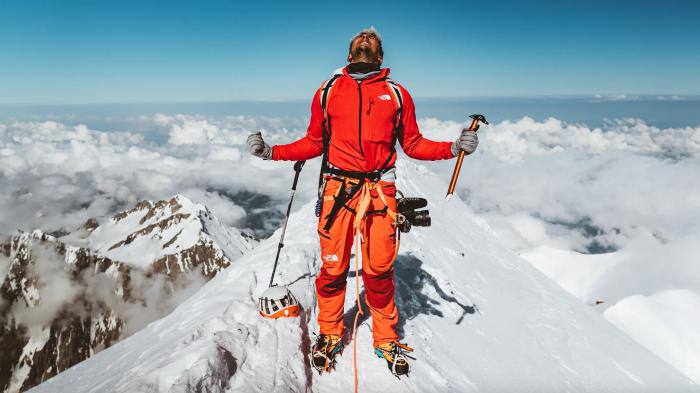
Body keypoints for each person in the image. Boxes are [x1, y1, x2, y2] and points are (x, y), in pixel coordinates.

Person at [247, 27, 478, 376]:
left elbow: (413, 143)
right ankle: (329, 331)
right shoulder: (328, 92)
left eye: (371, 39)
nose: (365, 38)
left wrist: (453, 148)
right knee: (333, 269)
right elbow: (313, 142)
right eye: (359, 39)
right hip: (338, 191)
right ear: (350, 52)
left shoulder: (396, 94)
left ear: (380, 56)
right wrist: (271, 152)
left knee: (379, 271)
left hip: (380, 194)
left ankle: (385, 336)